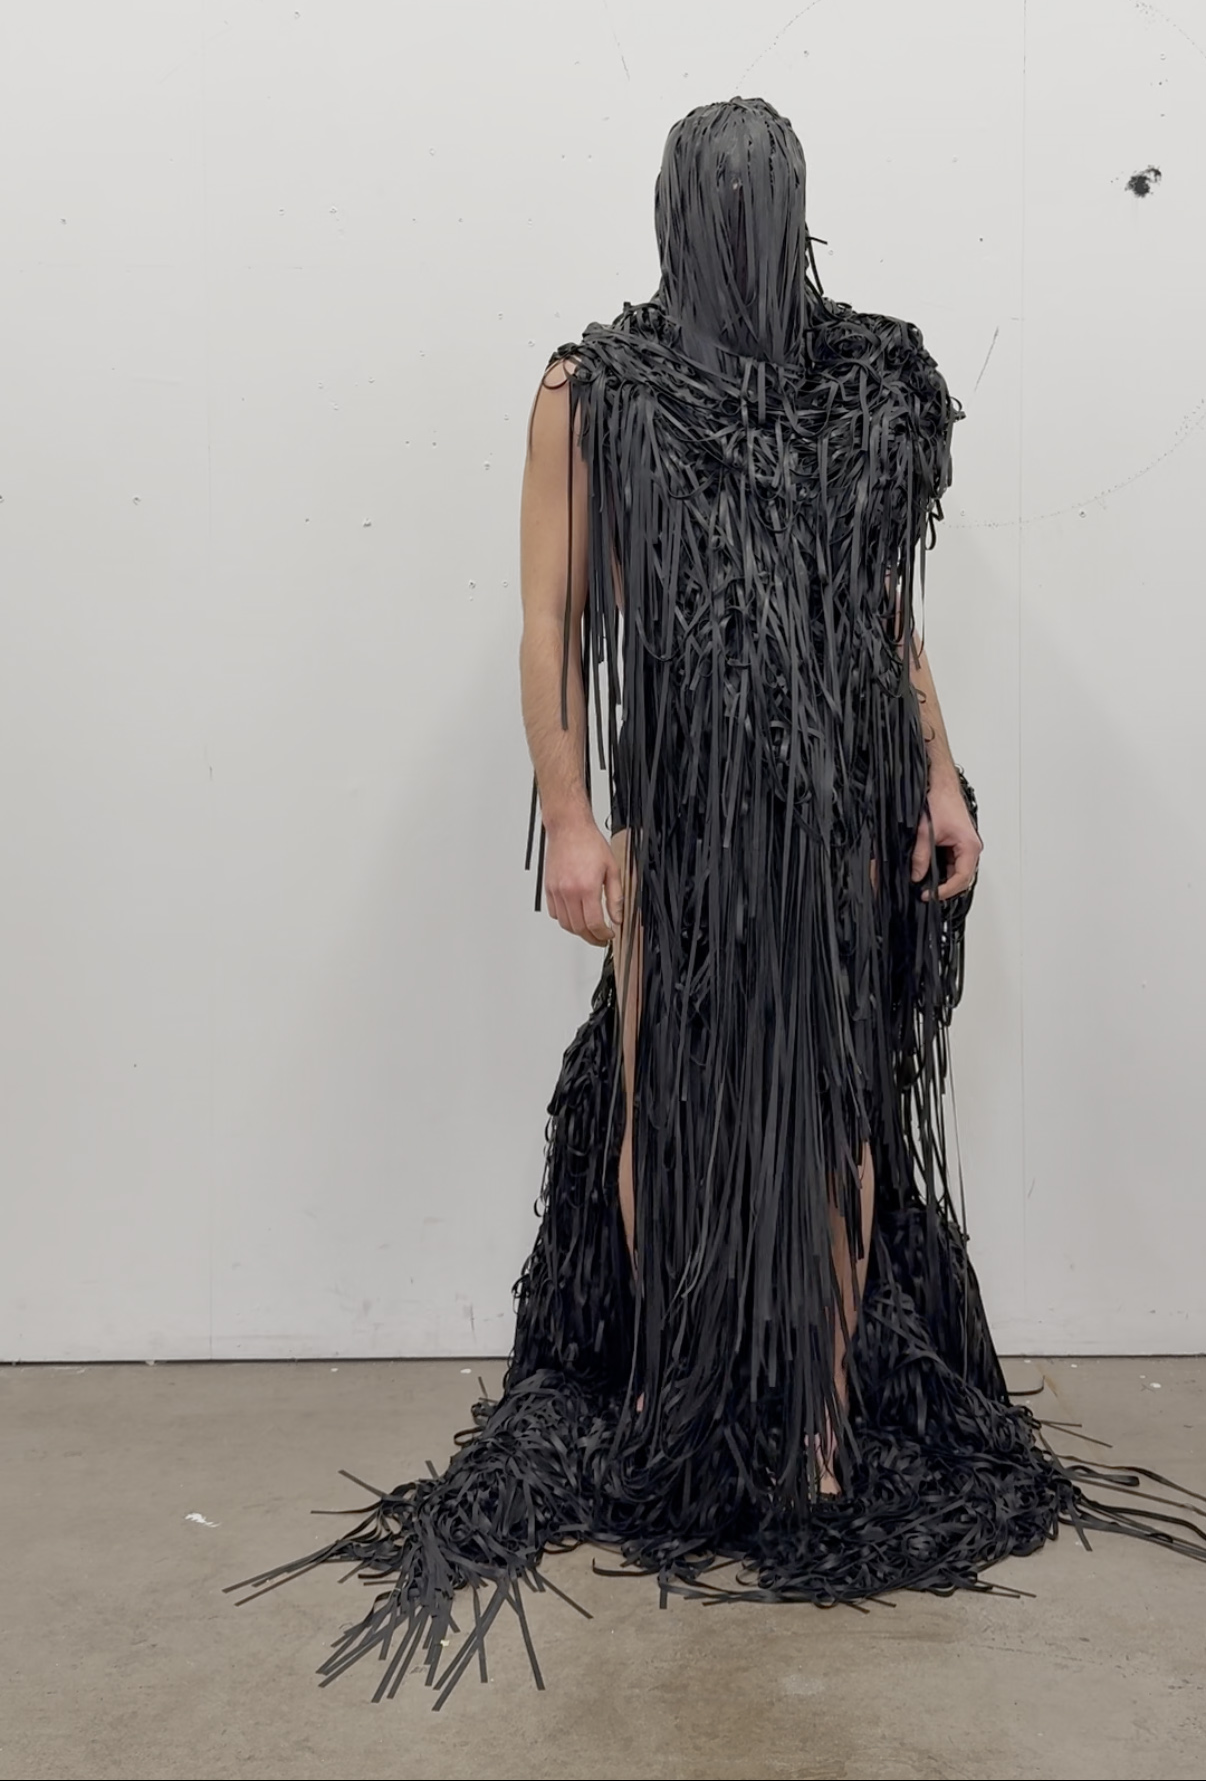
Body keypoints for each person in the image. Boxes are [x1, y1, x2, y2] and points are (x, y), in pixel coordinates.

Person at [234, 98, 1205, 1703]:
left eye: (770, 199)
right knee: (662, 1095)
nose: (749, 227)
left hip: (841, 813)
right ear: (683, 212)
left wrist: (938, 775)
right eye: (727, 200)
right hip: (685, 816)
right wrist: (568, 819)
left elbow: (881, 612)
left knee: (835, 1111)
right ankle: (673, 1404)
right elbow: (551, 622)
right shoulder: (593, 390)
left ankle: (813, 1430)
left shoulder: (864, 384)